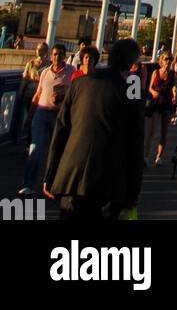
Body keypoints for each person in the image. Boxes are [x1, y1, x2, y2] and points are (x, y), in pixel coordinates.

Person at [42, 38, 145, 222]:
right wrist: (133, 191)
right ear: (132, 62)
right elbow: (135, 142)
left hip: (71, 177)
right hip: (108, 182)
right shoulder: (132, 89)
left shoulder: (80, 82)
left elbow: (61, 130)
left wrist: (50, 175)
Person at [19, 44, 74, 194]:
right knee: (35, 149)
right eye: (55, 54)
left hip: (59, 115)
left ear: (65, 56)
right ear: (51, 56)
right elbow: (38, 94)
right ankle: (28, 184)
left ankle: (50, 183)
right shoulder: (44, 73)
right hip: (42, 113)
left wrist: (63, 96)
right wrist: (30, 116)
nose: (57, 57)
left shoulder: (71, 72)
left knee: (56, 151)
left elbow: (75, 93)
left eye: (61, 54)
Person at [11, 42, 48, 146]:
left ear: (45, 51)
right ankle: (28, 142)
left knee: (36, 119)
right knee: (29, 118)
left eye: (41, 49)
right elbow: (25, 79)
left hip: (41, 96)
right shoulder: (30, 64)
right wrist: (20, 91)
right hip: (29, 94)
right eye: (38, 49)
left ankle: (33, 142)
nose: (39, 51)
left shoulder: (48, 65)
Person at [145, 51, 177, 165]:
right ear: (161, 60)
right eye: (166, 59)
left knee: (164, 131)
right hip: (156, 103)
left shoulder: (174, 74)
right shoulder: (155, 72)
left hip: (167, 103)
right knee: (151, 131)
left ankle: (158, 157)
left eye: (170, 59)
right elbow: (150, 88)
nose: (168, 61)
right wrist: (154, 92)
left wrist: (175, 93)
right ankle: (146, 156)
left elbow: (174, 86)